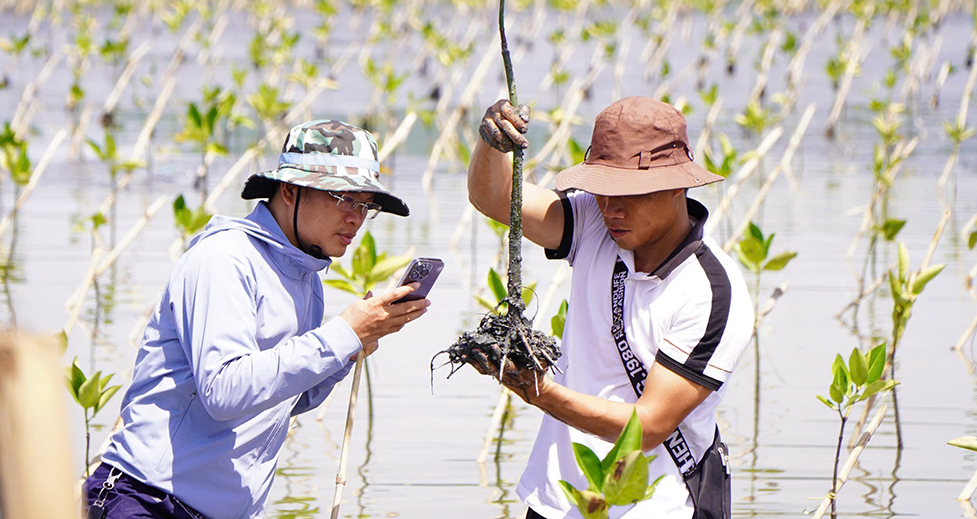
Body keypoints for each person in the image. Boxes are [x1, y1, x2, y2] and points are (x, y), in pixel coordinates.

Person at [82, 119, 430, 519]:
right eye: (343, 198)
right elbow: (225, 391)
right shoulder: (225, 259)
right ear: (289, 189)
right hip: (149, 501)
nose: (355, 217)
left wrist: (348, 351)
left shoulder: (306, 280)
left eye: (365, 205)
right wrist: (342, 333)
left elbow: (280, 400)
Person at [468, 96, 754, 519]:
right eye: (601, 190)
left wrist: (539, 391)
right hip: (558, 499)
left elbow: (648, 426)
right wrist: (492, 141)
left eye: (629, 194)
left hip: (656, 507)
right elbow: (495, 197)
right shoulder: (592, 222)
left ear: (677, 185)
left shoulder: (709, 290)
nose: (611, 209)